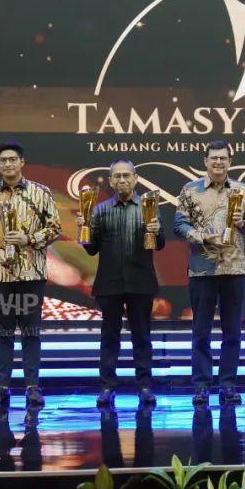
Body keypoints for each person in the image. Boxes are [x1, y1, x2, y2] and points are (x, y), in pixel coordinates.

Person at [0, 141, 61, 408]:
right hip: (1, 275)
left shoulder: (41, 193)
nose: (8, 164)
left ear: (22, 162)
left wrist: (28, 239)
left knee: (31, 331)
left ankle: (32, 387)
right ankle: (1, 388)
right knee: (3, 332)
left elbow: (54, 228)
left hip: (31, 274)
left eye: (12, 159)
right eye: (3, 160)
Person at [174, 140, 245, 405]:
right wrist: (203, 237)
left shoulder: (242, 190)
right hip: (202, 270)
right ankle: (201, 385)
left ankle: (228, 385)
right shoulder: (190, 190)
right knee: (201, 332)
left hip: (235, 268)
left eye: (223, 158)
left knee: (232, 333)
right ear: (206, 161)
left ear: (230, 161)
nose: (218, 162)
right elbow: (179, 225)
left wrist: (243, 223)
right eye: (214, 158)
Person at [80, 160, 163, 408]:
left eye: (127, 175)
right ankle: (107, 386)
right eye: (117, 176)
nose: (122, 180)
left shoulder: (148, 207)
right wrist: (84, 231)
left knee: (142, 337)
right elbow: (91, 249)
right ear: (110, 180)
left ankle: (145, 386)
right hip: (109, 282)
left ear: (136, 179)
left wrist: (157, 231)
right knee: (109, 337)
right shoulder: (99, 210)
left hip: (141, 281)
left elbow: (158, 245)